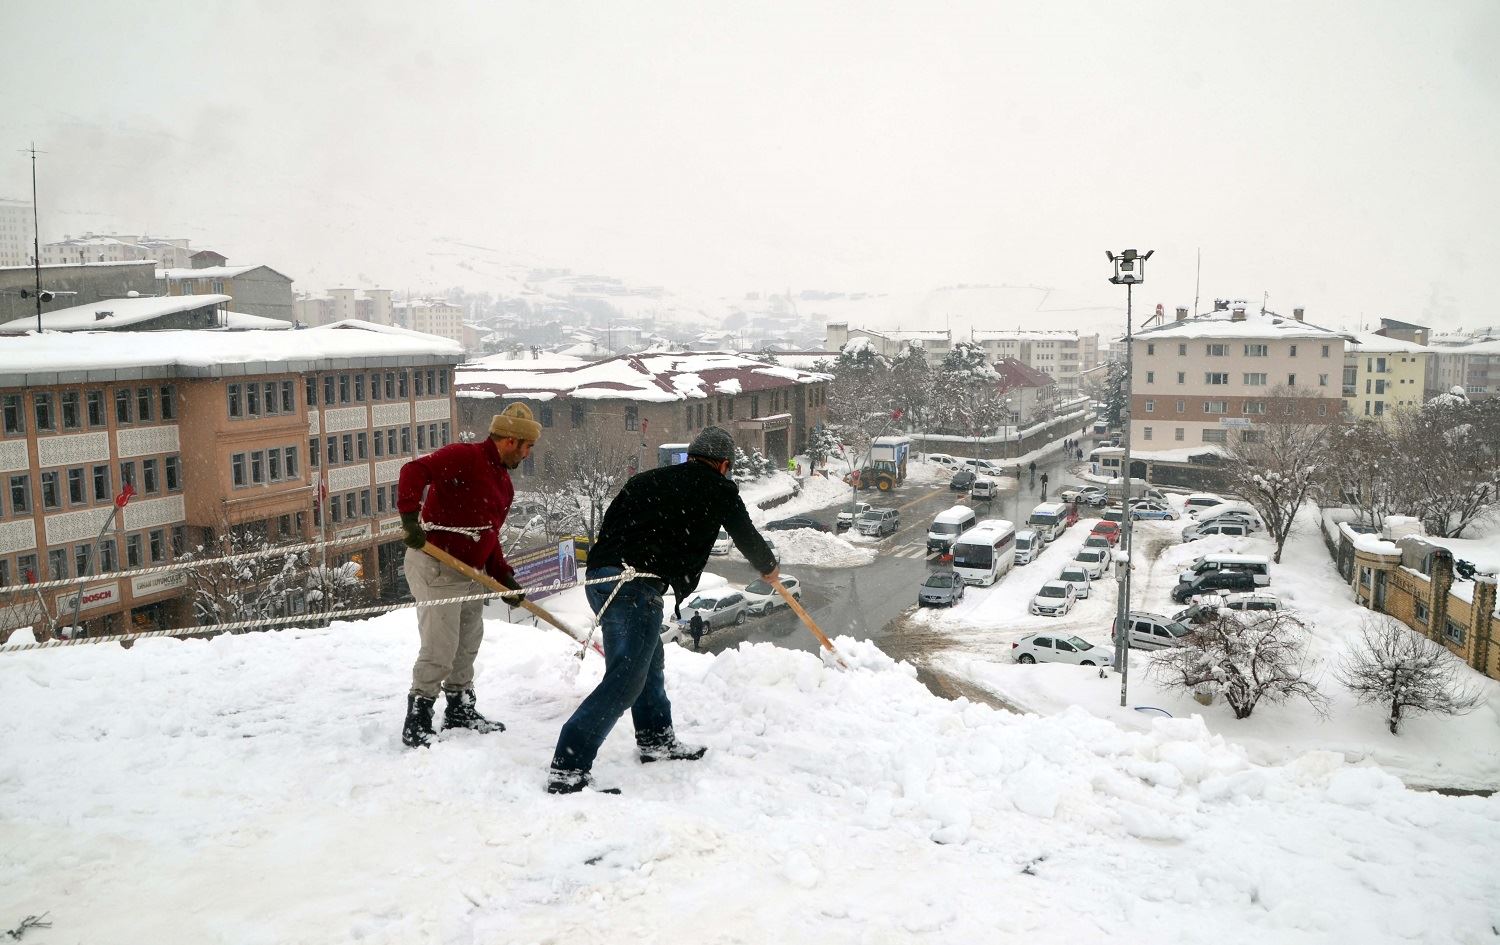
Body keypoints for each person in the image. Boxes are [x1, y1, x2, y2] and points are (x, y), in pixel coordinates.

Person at [548, 425, 778, 794]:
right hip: (634, 587)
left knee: (648, 664)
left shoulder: (647, 480)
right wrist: (768, 566)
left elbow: (612, 525)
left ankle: (656, 738)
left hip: (602, 578)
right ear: (722, 465)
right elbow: (744, 533)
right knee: (625, 679)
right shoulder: (718, 488)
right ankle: (568, 767)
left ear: (691, 456)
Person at [396, 403, 539, 749]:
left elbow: (487, 534)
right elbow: (413, 472)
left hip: (470, 572)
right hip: (435, 565)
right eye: (527, 446)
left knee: (467, 643)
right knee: (440, 646)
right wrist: (410, 519)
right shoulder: (464, 456)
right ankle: (418, 720)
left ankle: (460, 708)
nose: (529, 454)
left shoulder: (503, 484)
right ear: (509, 441)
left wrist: (503, 576)